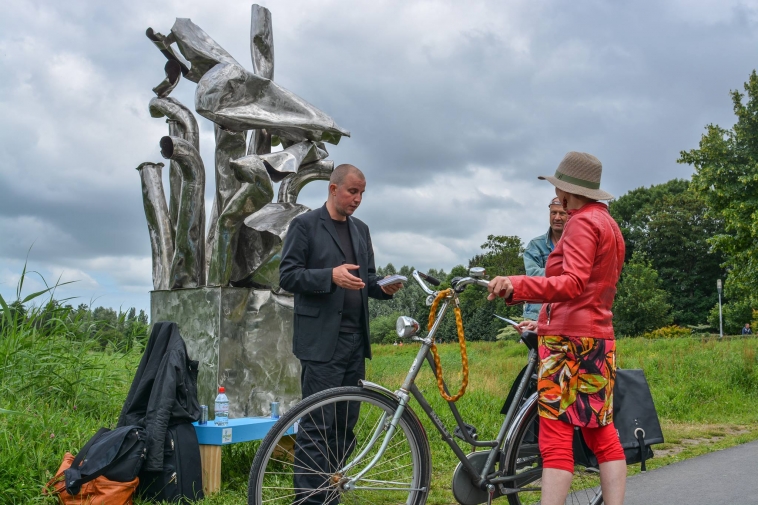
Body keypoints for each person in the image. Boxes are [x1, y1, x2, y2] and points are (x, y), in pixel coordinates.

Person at [487, 152, 627, 505]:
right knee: (602, 434)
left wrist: (517, 285)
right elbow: (592, 292)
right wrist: (545, 318)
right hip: (597, 339)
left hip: (567, 346)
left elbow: (572, 283)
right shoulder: (609, 224)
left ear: (566, 192)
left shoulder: (580, 222)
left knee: (555, 438)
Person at [279, 163, 402, 504]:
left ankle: (329, 493)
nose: (358, 199)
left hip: (354, 342)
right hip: (320, 344)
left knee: (344, 427)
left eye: (362, 192)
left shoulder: (361, 230)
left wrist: (384, 287)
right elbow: (288, 276)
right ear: (333, 189)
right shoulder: (304, 225)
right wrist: (329, 277)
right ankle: (309, 500)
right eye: (352, 191)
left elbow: (368, 280)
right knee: (317, 425)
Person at [522, 197, 569, 320]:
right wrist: (566, 275)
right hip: (536, 314)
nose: (557, 217)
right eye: (553, 213)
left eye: (562, 213)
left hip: (567, 314)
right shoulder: (535, 245)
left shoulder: (578, 244)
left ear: (570, 215)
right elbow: (532, 275)